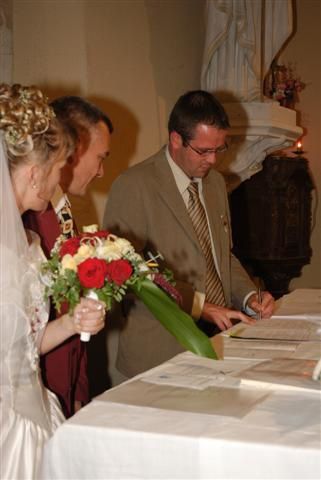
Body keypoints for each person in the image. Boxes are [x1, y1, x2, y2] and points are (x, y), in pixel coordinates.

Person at [103, 90, 275, 378]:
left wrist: (248, 296)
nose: (212, 160)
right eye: (203, 151)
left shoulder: (216, 183)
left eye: (219, 149)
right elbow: (128, 274)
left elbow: (220, 256)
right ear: (176, 139)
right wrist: (199, 306)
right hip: (159, 350)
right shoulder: (134, 185)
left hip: (219, 338)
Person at [0, 84, 106, 479]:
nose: (62, 173)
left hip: (40, 415)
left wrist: (71, 323)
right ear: (34, 173)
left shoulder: (27, 244)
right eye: (59, 165)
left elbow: (24, 346)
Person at [23, 96, 113, 416]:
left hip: (67, 389)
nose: (101, 171)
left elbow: (72, 307)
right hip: (37, 390)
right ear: (73, 147)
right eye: (100, 157)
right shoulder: (25, 221)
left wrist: (79, 387)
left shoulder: (63, 209)